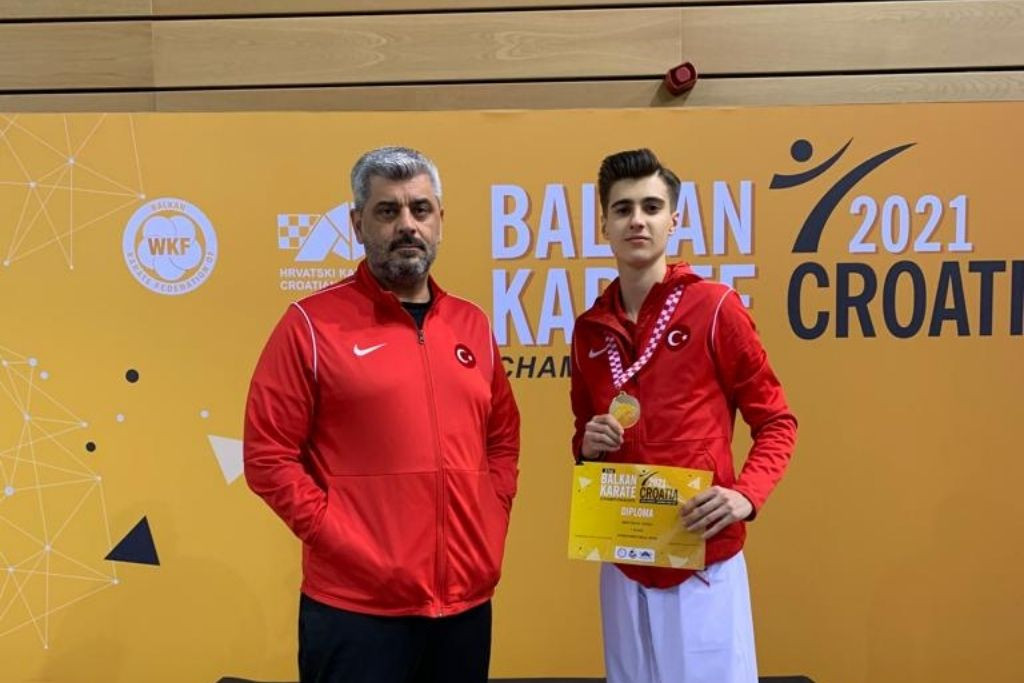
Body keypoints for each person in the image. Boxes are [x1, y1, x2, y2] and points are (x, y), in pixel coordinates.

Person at [244, 146, 520, 683]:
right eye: (388, 211)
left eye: (421, 209)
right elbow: (267, 456)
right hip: (355, 610)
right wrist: (339, 535)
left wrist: (491, 513)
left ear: (440, 221)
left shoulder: (472, 324)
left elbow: (503, 438)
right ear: (357, 224)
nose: (407, 225)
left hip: (464, 605)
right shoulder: (310, 325)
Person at [570, 148, 797, 683]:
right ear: (604, 225)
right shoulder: (588, 329)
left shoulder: (715, 307)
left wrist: (746, 495)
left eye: (651, 207)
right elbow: (581, 440)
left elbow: (777, 421)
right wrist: (587, 445)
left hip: (701, 557)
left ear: (673, 220)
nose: (637, 220)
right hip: (624, 558)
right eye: (623, 209)